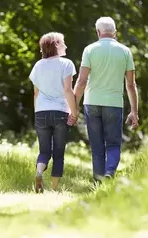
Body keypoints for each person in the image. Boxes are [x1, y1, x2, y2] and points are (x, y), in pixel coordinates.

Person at [73, 17, 139, 183]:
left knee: (97, 146)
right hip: (114, 104)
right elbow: (131, 85)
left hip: (92, 102)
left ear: (98, 32)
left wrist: (73, 107)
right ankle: (109, 172)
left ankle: (98, 180)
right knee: (113, 144)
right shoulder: (125, 51)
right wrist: (134, 112)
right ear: (115, 33)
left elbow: (81, 82)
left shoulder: (89, 50)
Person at [29, 32, 78, 193]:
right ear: (56, 45)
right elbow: (68, 91)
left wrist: (37, 113)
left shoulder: (38, 65)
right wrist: (74, 112)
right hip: (60, 112)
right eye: (63, 42)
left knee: (44, 151)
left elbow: (35, 93)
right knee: (58, 152)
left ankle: (38, 172)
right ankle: (55, 188)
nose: (66, 45)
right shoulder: (66, 64)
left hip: (41, 112)